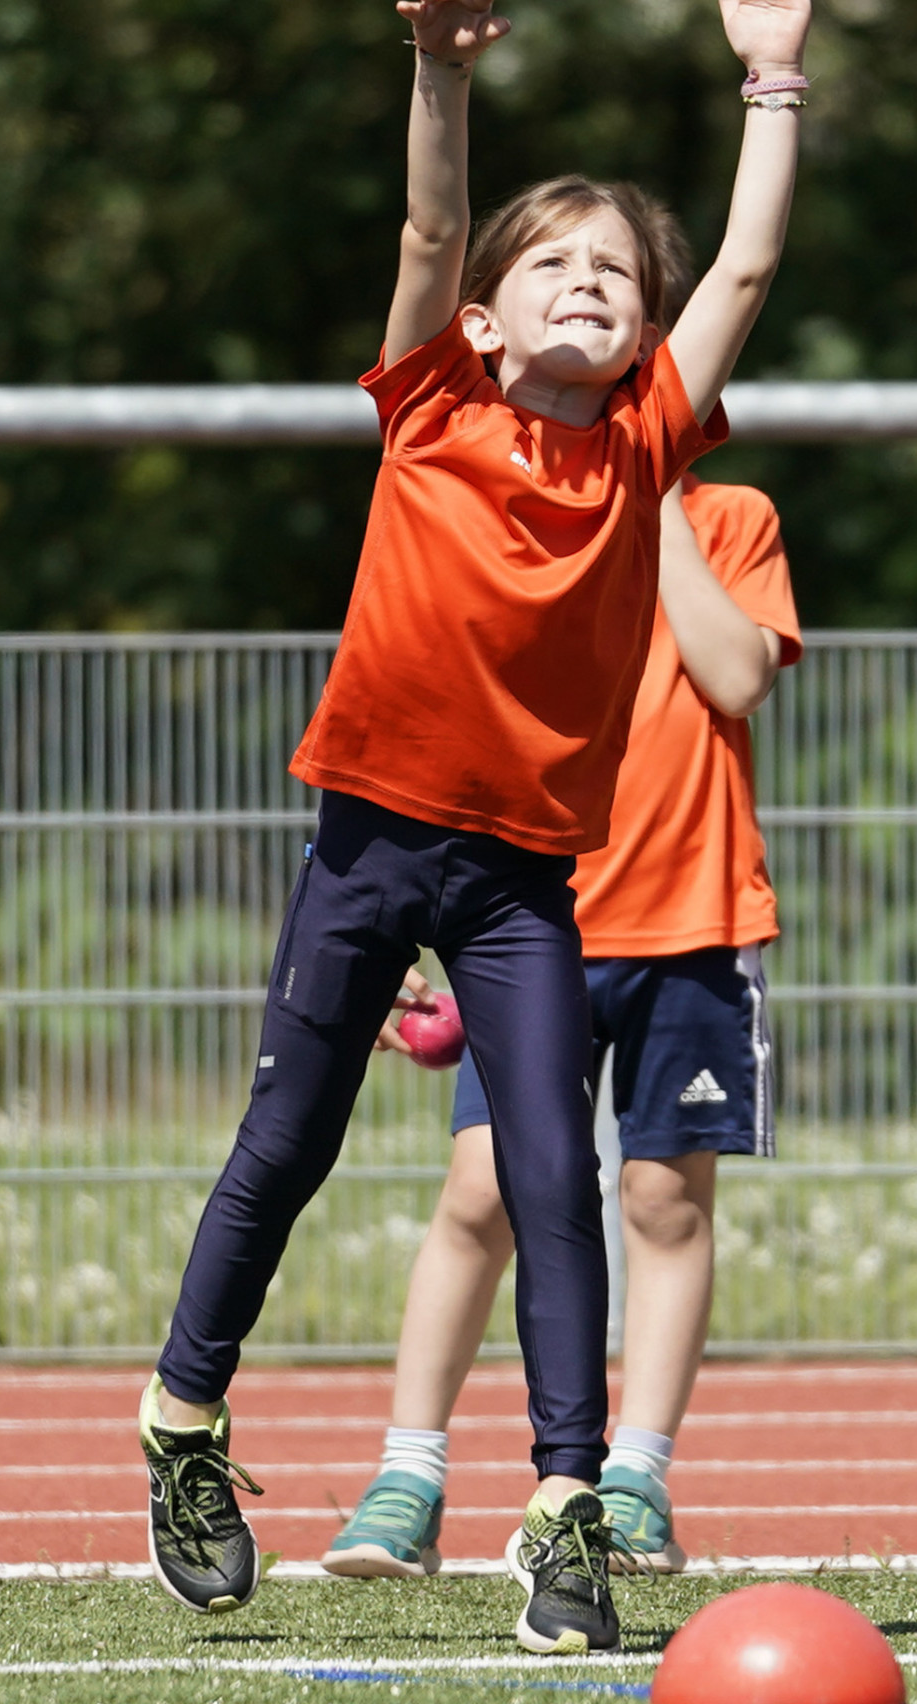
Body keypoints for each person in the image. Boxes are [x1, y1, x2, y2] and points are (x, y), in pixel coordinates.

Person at [137, 0, 813, 1656]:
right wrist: (440, 76)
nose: (593, 280)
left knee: (549, 1178)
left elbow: (739, 268)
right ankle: (185, 1426)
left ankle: (567, 1509)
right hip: (371, 843)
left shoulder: (650, 440)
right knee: (285, 1144)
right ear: (492, 316)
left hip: (521, 872)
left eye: (615, 270)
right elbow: (435, 224)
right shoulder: (432, 404)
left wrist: (773, 79)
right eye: (557, 265)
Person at [321, 469, 800, 1581]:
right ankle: (407, 1476)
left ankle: (633, 1478)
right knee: (482, 1193)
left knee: (661, 1200)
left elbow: (734, 674)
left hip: (692, 920)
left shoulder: (730, 516)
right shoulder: (510, 509)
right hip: (526, 920)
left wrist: (652, 499)